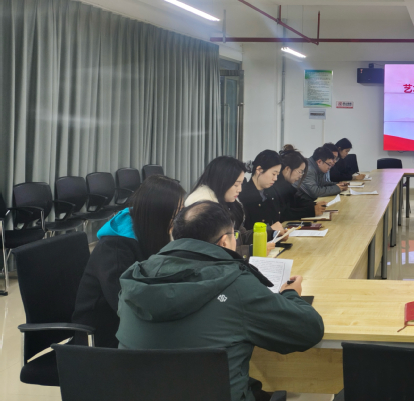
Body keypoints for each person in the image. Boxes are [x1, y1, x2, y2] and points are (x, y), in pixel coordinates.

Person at [116, 201, 324, 401]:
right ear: (225, 241)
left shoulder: (135, 279)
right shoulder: (236, 284)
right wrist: (291, 294)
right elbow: (309, 329)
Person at [72, 175, 185, 347]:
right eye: (176, 213)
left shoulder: (146, 230)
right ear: (159, 214)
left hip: (127, 326)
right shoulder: (115, 249)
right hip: (101, 337)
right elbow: (127, 303)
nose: (179, 220)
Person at [184, 156, 261, 250]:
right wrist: (250, 250)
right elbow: (212, 251)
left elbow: (241, 236)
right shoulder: (202, 209)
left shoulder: (228, 202)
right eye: (236, 185)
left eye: (241, 184)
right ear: (222, 182)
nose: (240, 189)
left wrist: (270, 232)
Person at [272, 145, 327, 220]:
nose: (300, 176)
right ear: (287, 169)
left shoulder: (287, 185)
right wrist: (311, 211)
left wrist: (313, 205)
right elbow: (283, 214)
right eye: (300, 171)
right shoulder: (275, 186)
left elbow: (297, 201)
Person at [239, 149, 287, 236]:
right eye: (273, 174)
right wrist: (270, 230)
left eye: (277, 175)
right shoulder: (243, 195)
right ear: (259, 170)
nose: (275, 179)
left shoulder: (272, 191)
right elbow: (245, 234)